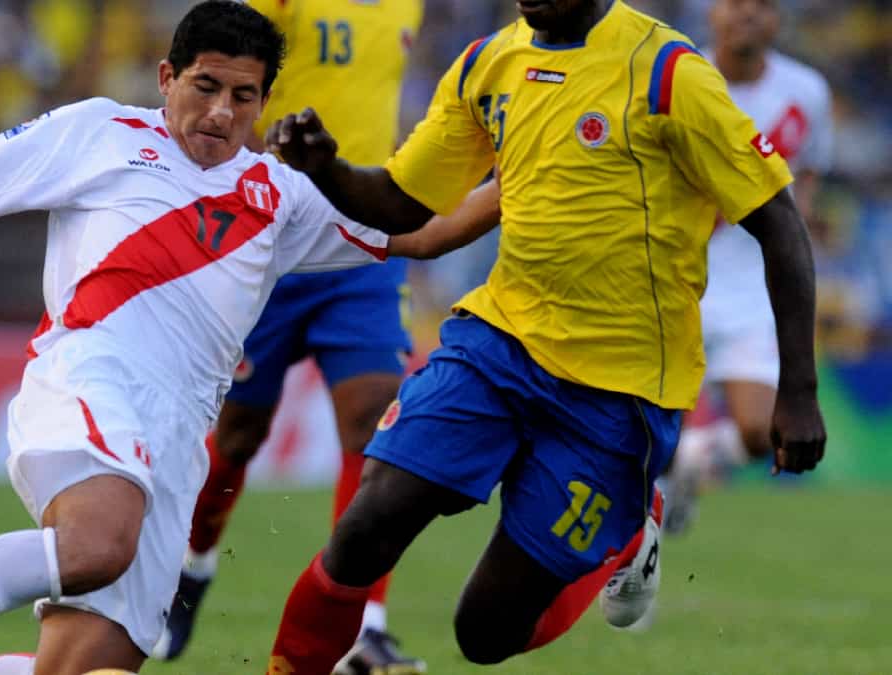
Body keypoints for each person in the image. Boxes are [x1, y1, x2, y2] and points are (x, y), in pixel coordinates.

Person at [0, 4, 497, 675]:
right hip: (91, 380)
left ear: (265, 101)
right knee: (96, 544)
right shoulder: (98, 132)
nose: (221, 112)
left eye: (243, 96)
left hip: (177, 442)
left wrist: (523, 173)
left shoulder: (284, 195)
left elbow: (424, 234)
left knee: (82, 668)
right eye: (206, 86)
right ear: (166, 77)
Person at [261, 0, 827, 671]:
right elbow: (405, 201)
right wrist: (327, 169)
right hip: (498, 345)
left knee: (484, 634)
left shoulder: (668, 72)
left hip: (619, 393)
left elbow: (779, 220)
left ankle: (627, 532)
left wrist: (799, 391)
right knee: (365, 529)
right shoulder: (487, 62)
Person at [154, 0, 438, 671]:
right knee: (237, 435)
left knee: (373, 420)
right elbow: (231, 60)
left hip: (362, 238)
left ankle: (363, 627)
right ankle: (192, 565)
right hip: (271, 231)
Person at [663, 0, 834, 535]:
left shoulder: (806, 91)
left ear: (777, 19)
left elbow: (808, 175)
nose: (748, 15)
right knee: (645, 428)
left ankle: (690, 463)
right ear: (713, 13)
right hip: (679, 276)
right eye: (736, 3)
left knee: (763, 432)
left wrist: (794, 243)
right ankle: (642, 526)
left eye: (762, 5)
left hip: (757, 286)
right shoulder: (679, 79)